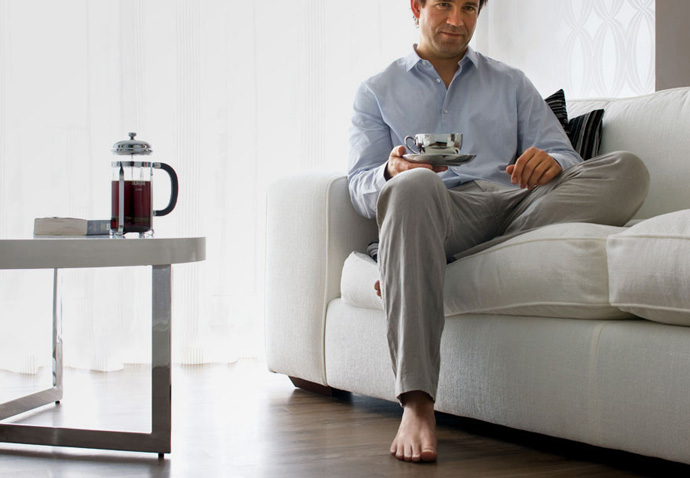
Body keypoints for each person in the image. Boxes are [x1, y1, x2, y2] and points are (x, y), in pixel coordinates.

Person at [347, 0, 650, 464]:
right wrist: (392, 171)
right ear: (416, 6)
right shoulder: (377, 90)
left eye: (469, 7)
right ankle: (417, 403)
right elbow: (359, 187)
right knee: (415, 187)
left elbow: (565, 156)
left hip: (513, 205)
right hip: (437, 208)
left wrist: (552, 163)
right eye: (444, 5)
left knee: (627, 170)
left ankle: (423, 261)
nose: (456, 20)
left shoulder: (510, 82)